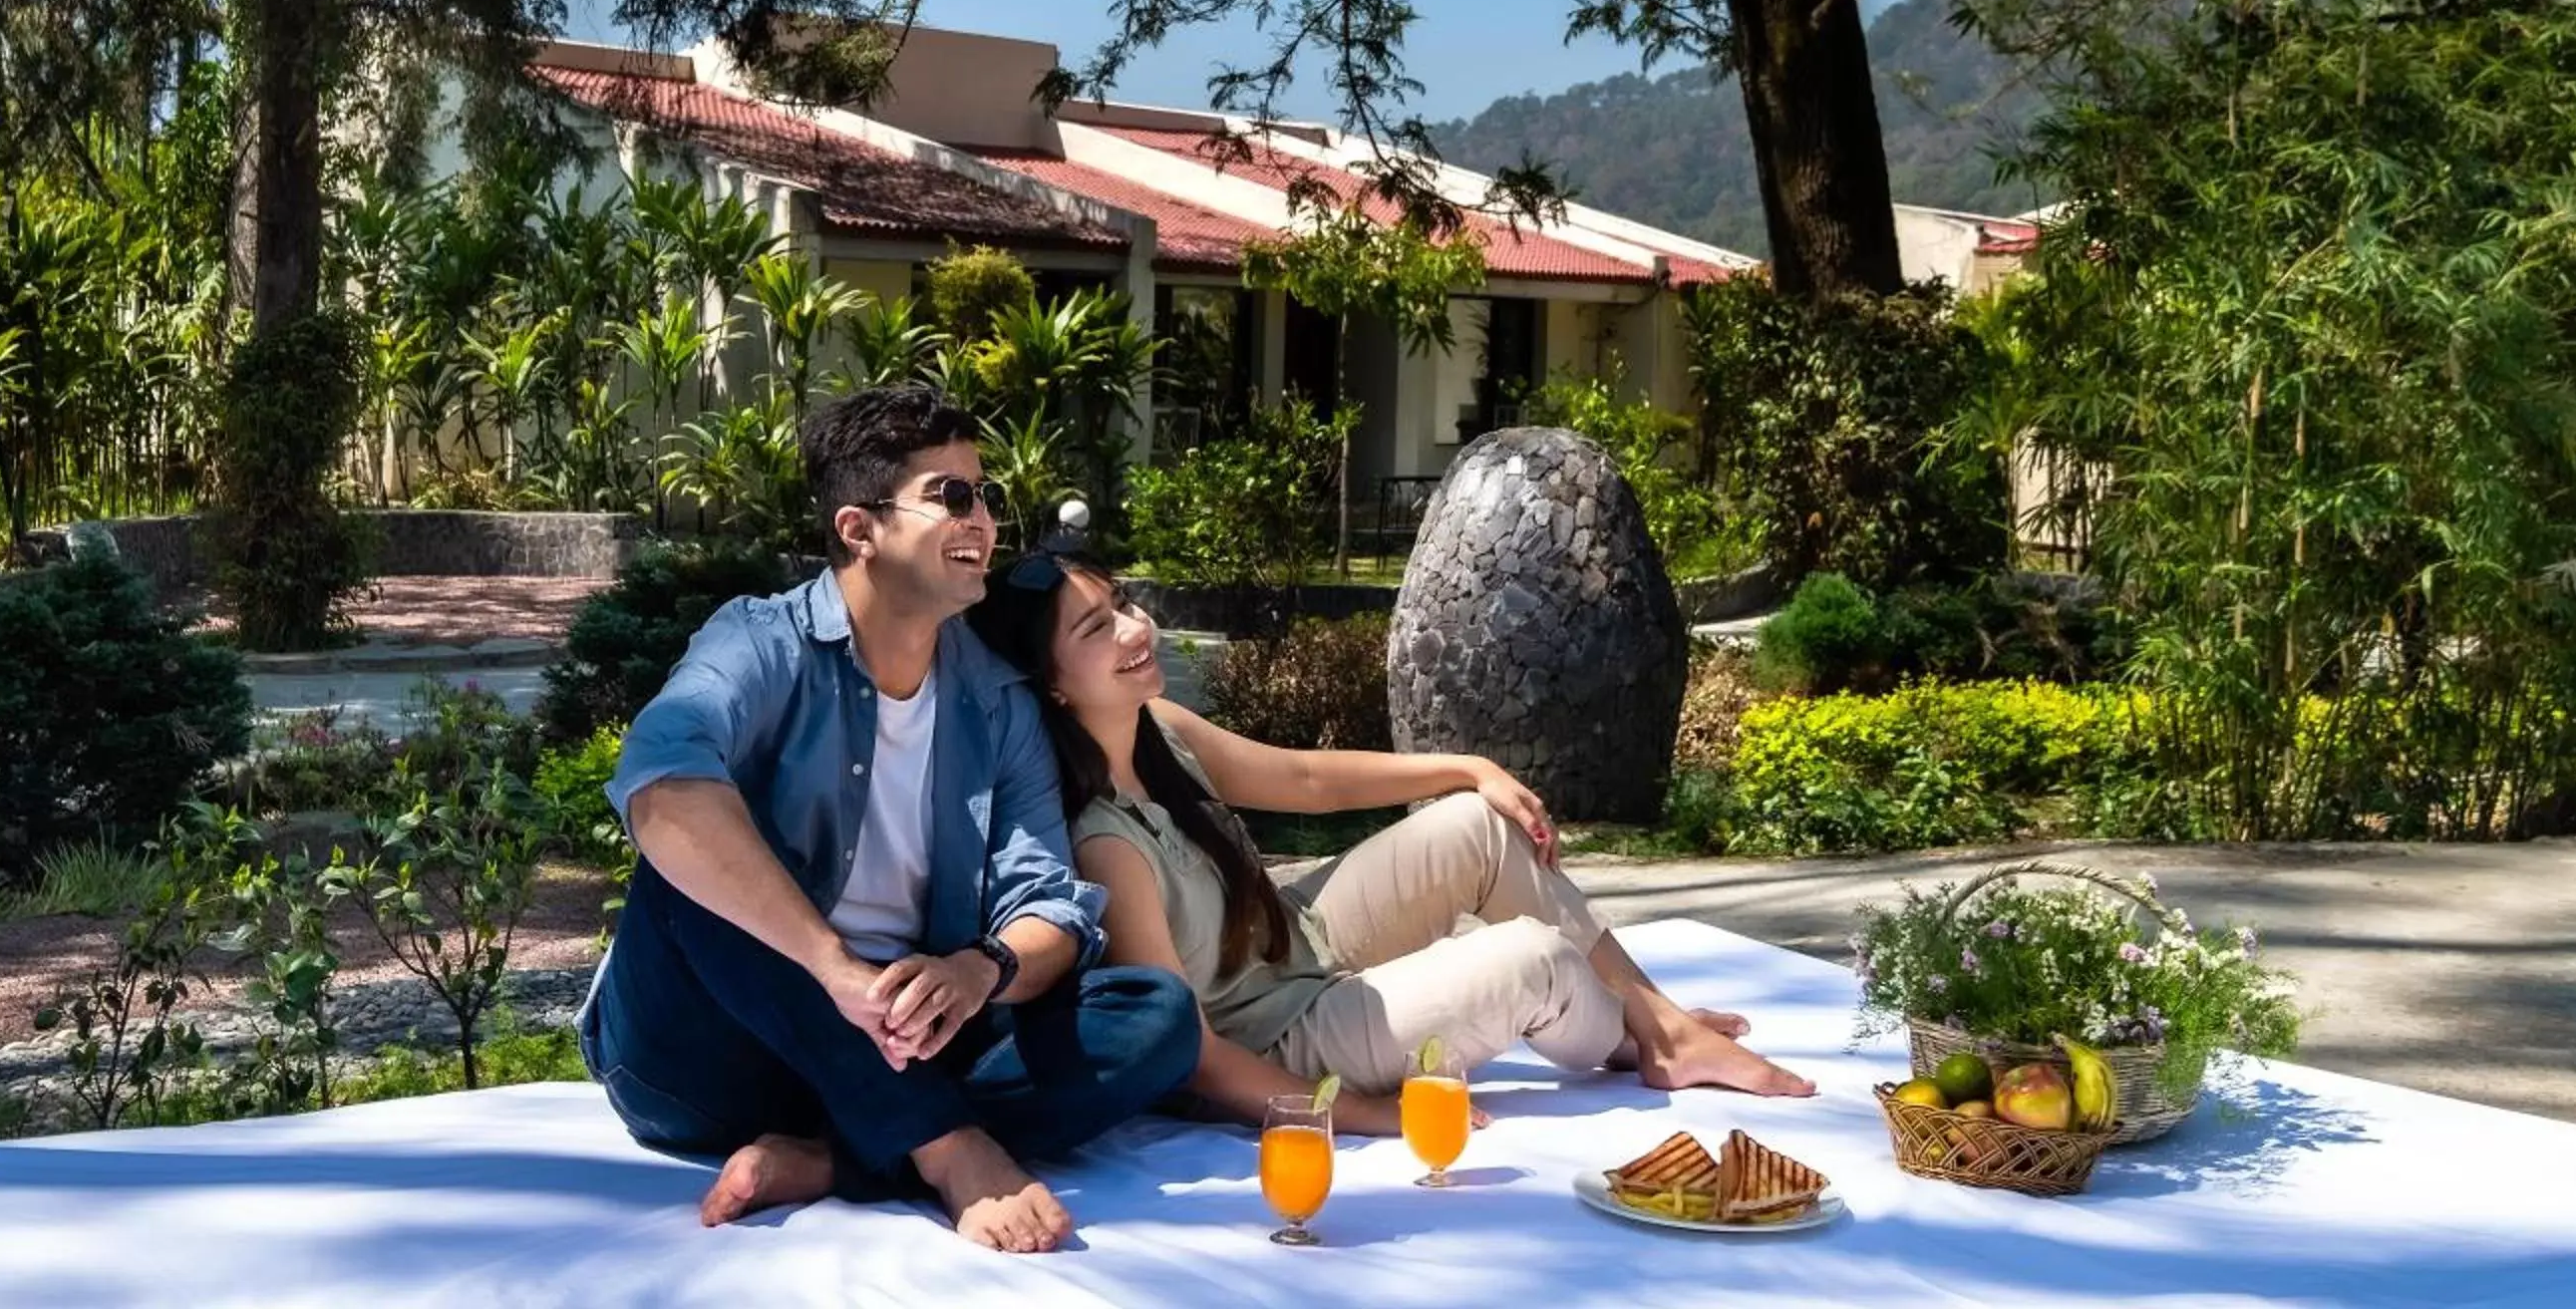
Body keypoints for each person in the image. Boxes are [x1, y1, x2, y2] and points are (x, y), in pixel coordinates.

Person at [577, 387, 1201, 1253]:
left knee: (1155, 1015)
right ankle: (945, 1146)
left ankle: (837, 1159)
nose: (981, 518)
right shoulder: (760, 643)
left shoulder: (997, 700)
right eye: (950, 496)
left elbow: (1050, 907)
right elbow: (661, 785)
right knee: (688, 859)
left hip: (906, 1040)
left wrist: (976, 971)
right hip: (712, 1059)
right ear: (857, 528)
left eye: (986, 497)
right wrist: (835, 970)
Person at [966, 553, 1814, 1141]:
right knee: (1535, 961)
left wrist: (1465, 767)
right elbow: (1193, 1052)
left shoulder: (1158, 724)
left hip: (1294, 938)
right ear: (1049, 684)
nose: (1132, 628)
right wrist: (1351, 1112)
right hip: (1276, 1033)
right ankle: (1639, 1033)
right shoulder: (1104, 844)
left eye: (1121, 603)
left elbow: (1301, 782)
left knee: (1483, 825)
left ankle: (1658, 1024)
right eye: (1094, 628)